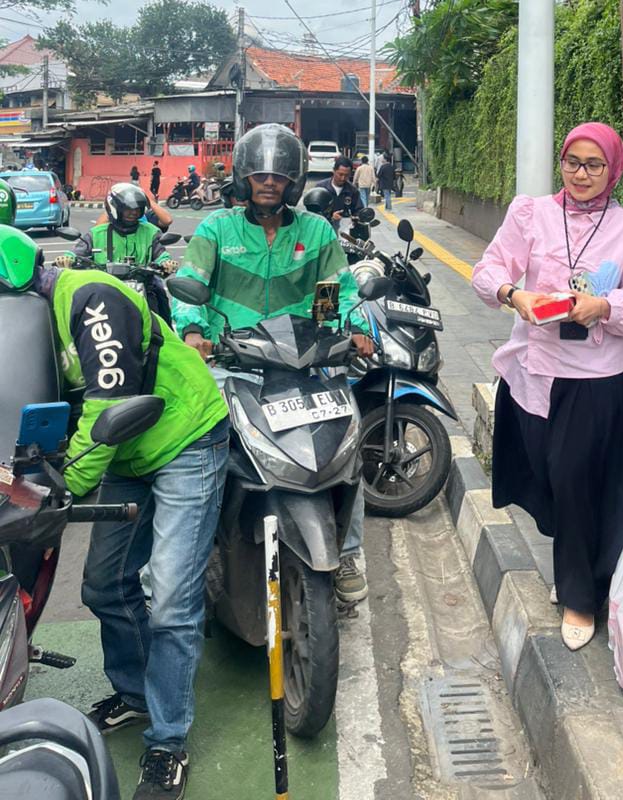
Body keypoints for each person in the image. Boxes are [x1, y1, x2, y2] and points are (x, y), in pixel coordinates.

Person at [0, 223, 229, 800]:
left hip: (183, 438)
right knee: (104, 586)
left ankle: (168, 742)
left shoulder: (89, 299)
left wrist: (57, 493)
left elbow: (110, 401)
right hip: (126, 447)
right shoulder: (22, 328)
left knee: (173, 598)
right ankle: (136, 694)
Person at [472, 122, 623, 651]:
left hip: (593, 381)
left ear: (614, 169)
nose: (581, 174)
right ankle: (577, 565)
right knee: (551, 482)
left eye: (594, 165)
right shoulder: (530, 213)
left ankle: (582, 597)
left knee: (576, 481)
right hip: (532, 371)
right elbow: (486, 269)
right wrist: (516, 296)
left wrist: (604, 306)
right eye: (572, 162)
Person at [171, 123, 375, 603]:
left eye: (279, 176)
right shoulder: (217, 229)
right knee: (201, 448)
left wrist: (354, 328)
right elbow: (190, 284)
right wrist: (195, 330)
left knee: (346, 442)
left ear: (294, 182)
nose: (269, 183)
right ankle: (194, 555)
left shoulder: (316, 231)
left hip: (300, 363)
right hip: (232, 361)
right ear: (244, 178)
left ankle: (346, 551)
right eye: (260, 175)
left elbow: (335, 294)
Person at [54, 183, 177, 324]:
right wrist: (67, 259)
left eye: (137, 209)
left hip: (143, 287)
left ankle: (166, 339)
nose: (134, 213)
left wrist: (166, 263)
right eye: (128, 209)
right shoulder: (97, 233)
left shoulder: (151, 231)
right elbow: (77, 252)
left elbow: (161, 254)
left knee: (160, 303)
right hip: (103, 289)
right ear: (115, 208)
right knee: (78, 315)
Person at [316, 156, 362, 231]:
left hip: (345, 234)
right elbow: (314, 213)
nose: (343, 178)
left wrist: (354, 218)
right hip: (323, 231)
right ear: (334, 171)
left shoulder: (353, 191)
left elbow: (358, 210)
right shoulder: (321, 188)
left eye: (347, 175)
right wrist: (330, 217)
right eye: (340, 174)